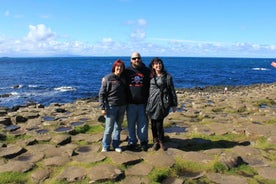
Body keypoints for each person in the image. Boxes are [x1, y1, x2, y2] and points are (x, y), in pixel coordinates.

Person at [146, 57, 178, 151]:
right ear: (153, 66)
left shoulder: (167, 76)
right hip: (151, 102)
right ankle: (155, 141)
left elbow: (172, 90)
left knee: (159, 123)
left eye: (160, 63)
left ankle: (161, 141)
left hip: (162, 103)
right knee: (153, 123)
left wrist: (174, 104)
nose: (158, 65)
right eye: (156, 64)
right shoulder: (149, 76)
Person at [99, 59, 128, 153]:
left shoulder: (124, 78)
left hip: (122, 106)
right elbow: (101, 94)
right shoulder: (108, 78)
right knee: (109, 128)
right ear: (114, 67)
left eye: (121, 66)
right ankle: (105, 145)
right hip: (111, 106)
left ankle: (116, 144)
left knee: (118, 127)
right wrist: (102, 107)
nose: (119, 68)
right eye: (117, 66)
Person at [125, 52, 151, 151]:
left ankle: (143, 141)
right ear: (131, 60)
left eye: (138, 58)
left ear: (141, 59)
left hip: (143, 103)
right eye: (134, 58)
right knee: (131, 125)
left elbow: (155, 78)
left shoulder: (146, 71)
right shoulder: (127, 71)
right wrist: (106, 79)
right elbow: (116, 75)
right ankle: (132, 142)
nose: (136, 60)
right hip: (130, 103)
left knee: (143, 124)